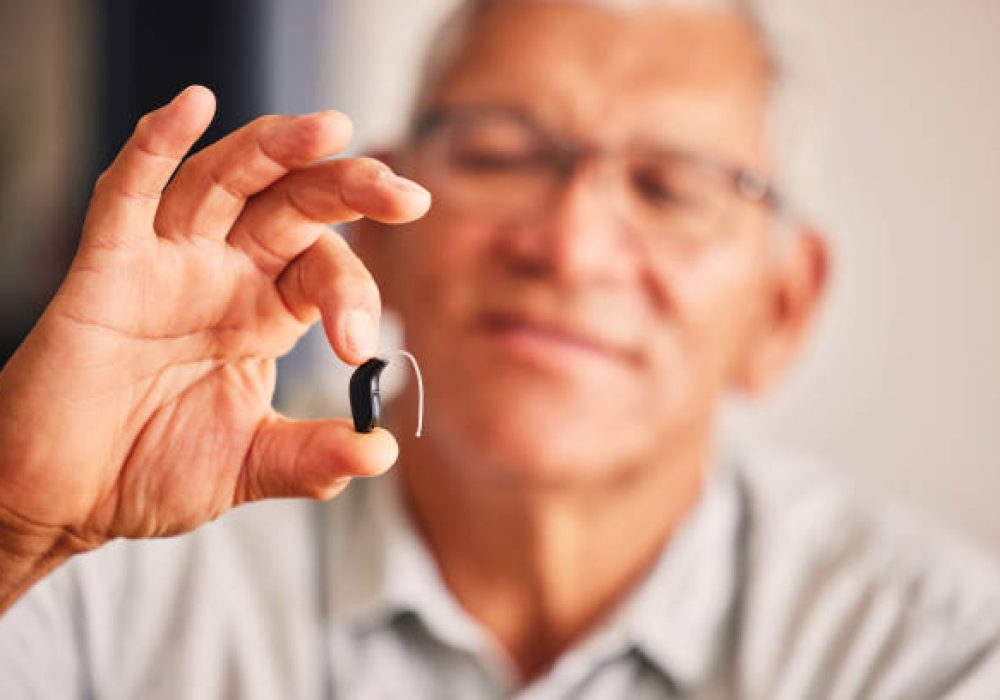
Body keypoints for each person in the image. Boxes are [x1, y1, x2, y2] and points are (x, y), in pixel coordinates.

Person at [1, 0, 998, 697]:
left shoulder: (932, 649)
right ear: (376, 220)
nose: (567, 246)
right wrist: (14, 521)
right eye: (499, 154)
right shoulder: (100, 559)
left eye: (670, 187)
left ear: (781, 308)